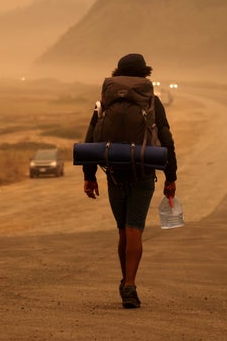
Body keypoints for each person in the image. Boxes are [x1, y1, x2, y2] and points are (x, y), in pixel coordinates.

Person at [83, 53, 178, 309]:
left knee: (123, 231)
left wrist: (89, 177)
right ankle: (130, 285)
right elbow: (167, 140)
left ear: (117, 74)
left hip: (114, 173)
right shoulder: (152, 102)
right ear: (145, 74)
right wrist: (171, 178)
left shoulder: (103, 101)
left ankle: (125, 279)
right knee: (135, 228)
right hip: (143, 174)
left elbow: (91, 138)